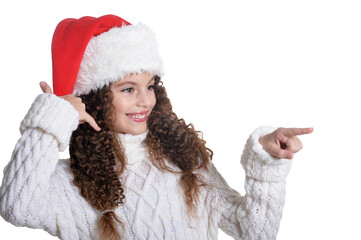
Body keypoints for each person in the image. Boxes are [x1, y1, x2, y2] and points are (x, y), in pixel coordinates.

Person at [0, 14, 313, 240]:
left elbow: (255, 232)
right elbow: (16, 207)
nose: (145, 101)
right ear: (93, 99)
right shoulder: (66, 184)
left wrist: (266, 164)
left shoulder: (184, 163)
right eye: (127, 89)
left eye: (150, 86)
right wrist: (51, 118)